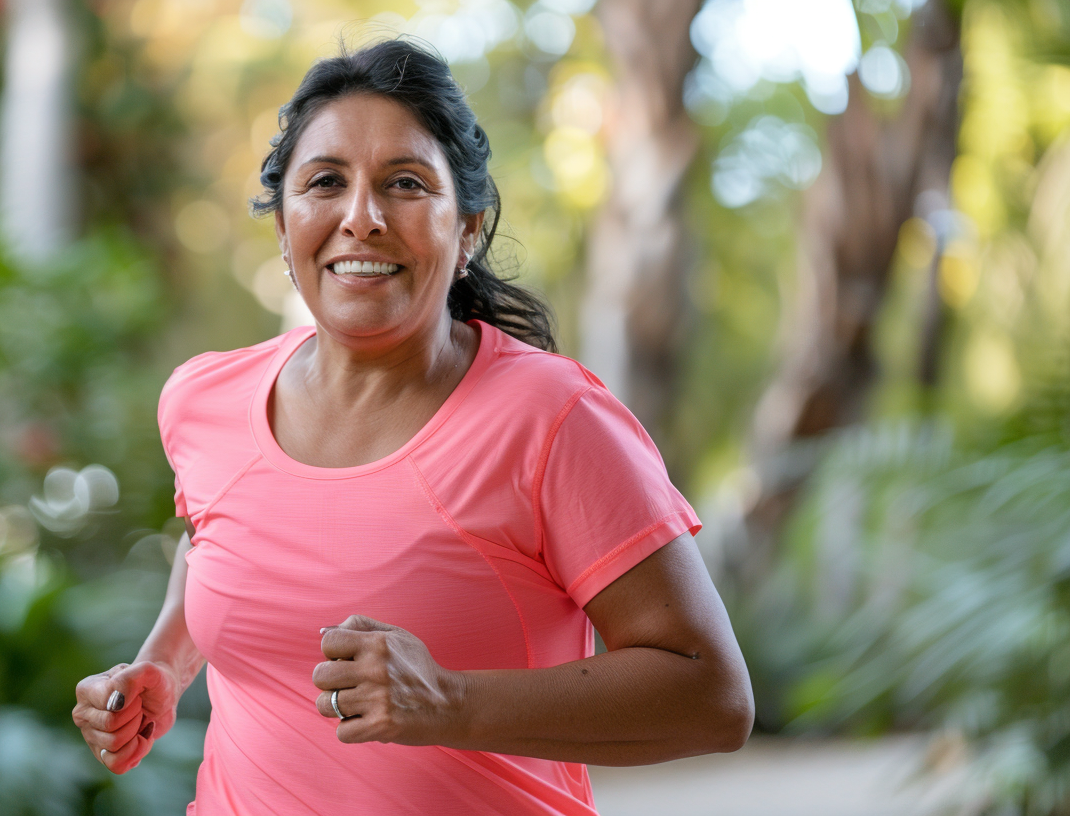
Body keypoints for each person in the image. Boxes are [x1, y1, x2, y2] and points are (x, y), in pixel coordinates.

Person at [71, 37, 754, 815]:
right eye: (325, 182)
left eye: (405, 183)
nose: (361, 219)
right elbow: (218, 536)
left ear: (467, 229)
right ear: (284, 226)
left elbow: (713, 695)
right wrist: (164, 662)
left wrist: (448, 701)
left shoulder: (552, 418)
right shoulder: (205, 399)